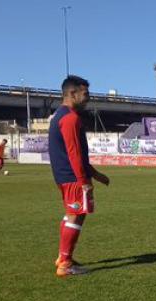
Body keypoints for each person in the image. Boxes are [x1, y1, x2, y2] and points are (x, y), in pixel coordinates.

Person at [48, 75, 111, 277]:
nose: (88, 98)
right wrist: (85, 181)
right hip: (73, 177)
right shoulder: (70, 118)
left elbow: (77, 154)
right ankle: (65, 264)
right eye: (85, 94)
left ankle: (63, 256)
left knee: (72, 214)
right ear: (72, 93)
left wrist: (96, 174)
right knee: (76, 215)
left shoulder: (61, 115)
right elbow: (74, 153)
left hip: (65, 176)